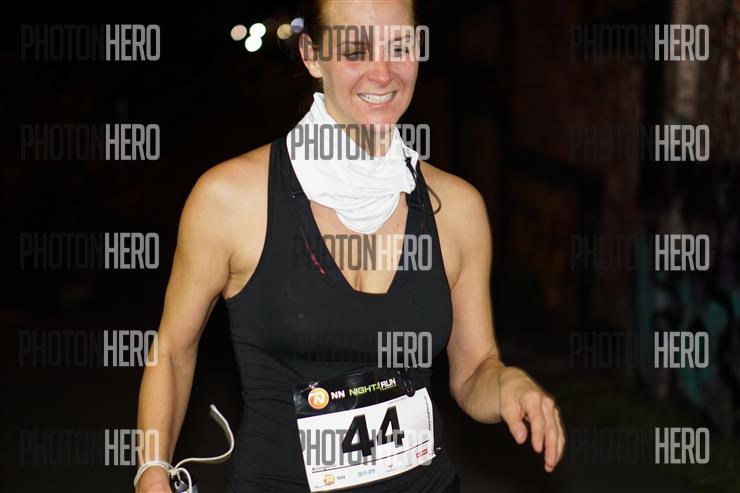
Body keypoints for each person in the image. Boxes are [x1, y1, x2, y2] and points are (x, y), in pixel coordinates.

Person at [134, 1, 565, 492]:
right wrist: (152, 470)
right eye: (356, 50)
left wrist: (506, 383)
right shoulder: (230, 200)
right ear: (311, 55)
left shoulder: (458, 210)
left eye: (400, 47)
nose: (383, 73)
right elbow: (172, 351)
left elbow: (473, 372)